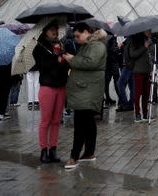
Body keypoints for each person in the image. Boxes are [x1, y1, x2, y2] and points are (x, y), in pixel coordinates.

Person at [62, 23, 107, 170]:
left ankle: (74, 156)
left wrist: (72, 59)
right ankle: (88, 153)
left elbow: (90, 62)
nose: (75, 39)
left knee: (80, 124)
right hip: (85, 89)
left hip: (87, 90)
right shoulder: (88, 45)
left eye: (77, 35)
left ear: (87, 32)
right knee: (88, 123)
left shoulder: (97, 46)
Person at [34, 20, 69, 163]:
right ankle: (43, 150)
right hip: (47, 87)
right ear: (45, 31)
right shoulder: (39, 48)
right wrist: (56, 59)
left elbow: (65, 64)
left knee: (56, 121)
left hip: (60, 86)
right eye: (52, 29)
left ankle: (53, 149)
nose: (55, 32)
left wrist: (63, 58)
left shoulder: (60, 45)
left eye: (56, 29)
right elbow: (43, 66)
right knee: (45, 121)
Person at [127, 31, 153, 122]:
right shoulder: (134, 40)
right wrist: (144, 47)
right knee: (137, 93)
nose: (150, 32)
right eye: (148, 31)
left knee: (146, 93)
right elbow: (132, 54)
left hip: (147, 70)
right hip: (138, 70)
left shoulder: (148, 40)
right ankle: (137, 114)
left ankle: (145, 114)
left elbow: (150, 54)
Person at [116, 37, 134, 112]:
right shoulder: (132, 39)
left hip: (128, 65)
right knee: (132, 85)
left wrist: (121, 46)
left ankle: (125, 103)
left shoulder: (130, 39)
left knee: (120, 84)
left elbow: (129, 53)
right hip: (130, 65)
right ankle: (130, 104)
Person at [104, 32, 121, 108]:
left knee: (106, 82)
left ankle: (107, 98)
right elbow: (113, 50)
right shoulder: (112, 37)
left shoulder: (104, 37)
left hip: (106, 62)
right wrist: (118, 47)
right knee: (117, 80)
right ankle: (121, 98)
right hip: (113, 62)